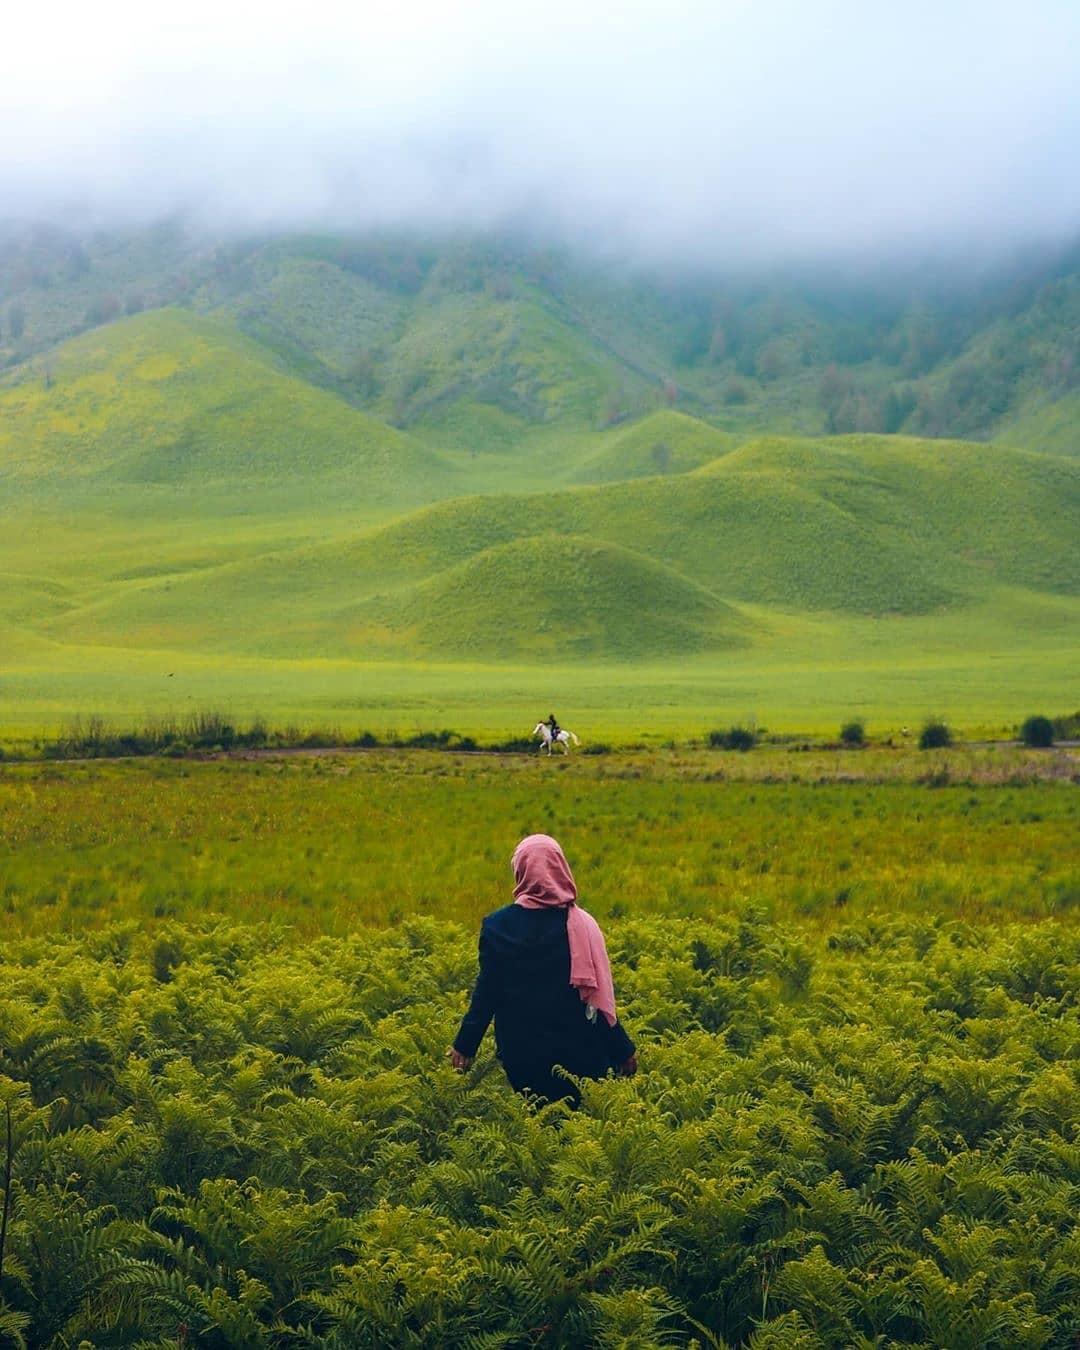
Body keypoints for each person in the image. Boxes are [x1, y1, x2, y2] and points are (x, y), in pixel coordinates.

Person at [447, 834, 637, 1104]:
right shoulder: (582, 926)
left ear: (520, 871)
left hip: (522, 1058)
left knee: (536, 1129)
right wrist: (623, 1050)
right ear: (560, 867)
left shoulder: (497, 926)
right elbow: (594, 1003)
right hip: (581, 1058)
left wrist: (465, 1046)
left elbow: (487, 993)